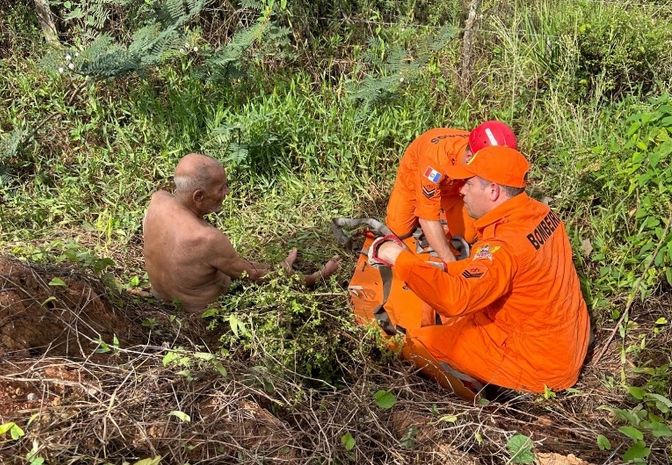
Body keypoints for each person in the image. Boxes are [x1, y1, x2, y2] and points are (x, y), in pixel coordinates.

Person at [372, 146, 590, 393]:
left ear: (494, 191)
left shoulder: (503, 247)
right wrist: (445, 268)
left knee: (417, 343)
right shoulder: (543, 214)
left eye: (470, 184)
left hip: (538, 364)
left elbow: (454, 299)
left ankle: (478, 391)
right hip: (567, 343)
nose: (462, 190)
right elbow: (514, 271)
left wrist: (397, 257)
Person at [143, 153, 340, 312]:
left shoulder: (157, 200)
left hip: (161, 303)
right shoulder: (205, 238)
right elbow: (253, 276)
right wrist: (315, 277)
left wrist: (278, 267)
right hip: (203, 314)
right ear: (199, 197)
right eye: (221, 188)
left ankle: (280, 267)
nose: (226, 193)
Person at [385, 121, 517, 263]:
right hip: (415, 181)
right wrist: (451, 264)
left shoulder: (488, 154)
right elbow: (427, 217)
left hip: (455, 191)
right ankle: (433, 213)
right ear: (469, 157)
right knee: (399, 230)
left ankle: (443, 215)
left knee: (469, 236)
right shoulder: (435, 161)